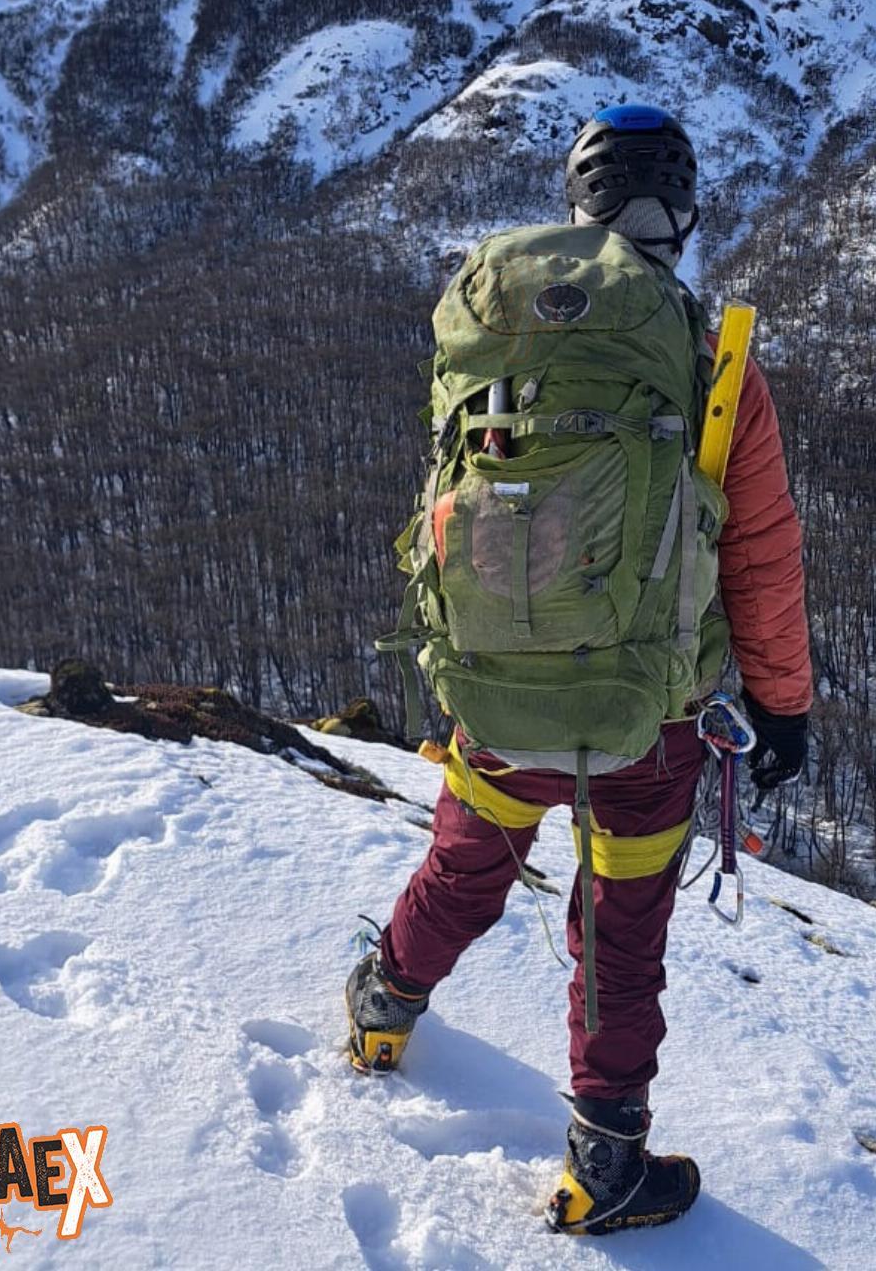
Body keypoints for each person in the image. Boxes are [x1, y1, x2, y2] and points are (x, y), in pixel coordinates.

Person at [346, 104, 812, 1235]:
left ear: (580, 205)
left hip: (498, 691)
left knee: (464, 867)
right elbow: (754, 547)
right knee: (617, 930)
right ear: (682, 210)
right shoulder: (711, 359)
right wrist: (782, 705)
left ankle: (380, 1010)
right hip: (644, 712)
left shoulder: (496, 328)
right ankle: (604, 1157)